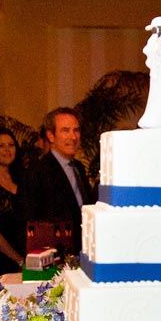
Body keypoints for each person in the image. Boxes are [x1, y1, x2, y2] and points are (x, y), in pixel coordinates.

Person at [22, 107, 96, 256]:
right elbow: (29, 220)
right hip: (54, 256)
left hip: (84, 252)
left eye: (76, 130)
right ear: (50, 136)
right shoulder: (38, 171)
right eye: (65, 130)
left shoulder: (79, 168)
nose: (73, 137)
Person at [0, 126, 26, 276]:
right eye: (1, 146)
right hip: (3, 259)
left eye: (11, 145)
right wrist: (19, 260)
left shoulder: (23, 179)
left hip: (28, 254)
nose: (7, 150)